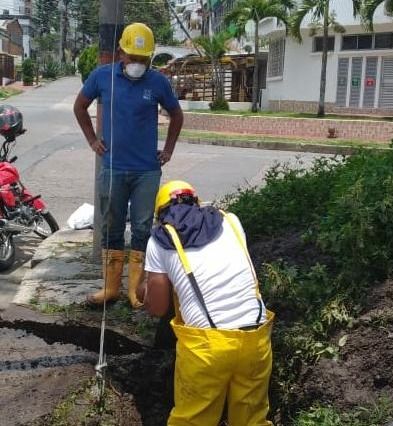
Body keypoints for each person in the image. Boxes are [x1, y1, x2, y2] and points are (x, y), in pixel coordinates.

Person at [138, 180, 274, 426]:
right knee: (252, 420)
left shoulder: (160, 240)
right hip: (256, 338)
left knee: (193, 420)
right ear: (197, 202)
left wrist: (145, 284)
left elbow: (157, 308)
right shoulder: (231, 221)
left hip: (207, 348)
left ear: (161, 214)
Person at [73, 22, 184, 308]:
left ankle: (135, 291)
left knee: (142, 228)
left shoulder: (157, 82)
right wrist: (92, 140)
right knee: (111, 226)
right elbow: (80, 106)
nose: (137, 63)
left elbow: (176, 115)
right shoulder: (102, 77)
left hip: (146, 170)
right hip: (113, 167)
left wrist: (168, 149)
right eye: (132, 58)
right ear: (121, 52)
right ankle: (110, 289)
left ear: (150, 58)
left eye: (143, 59)